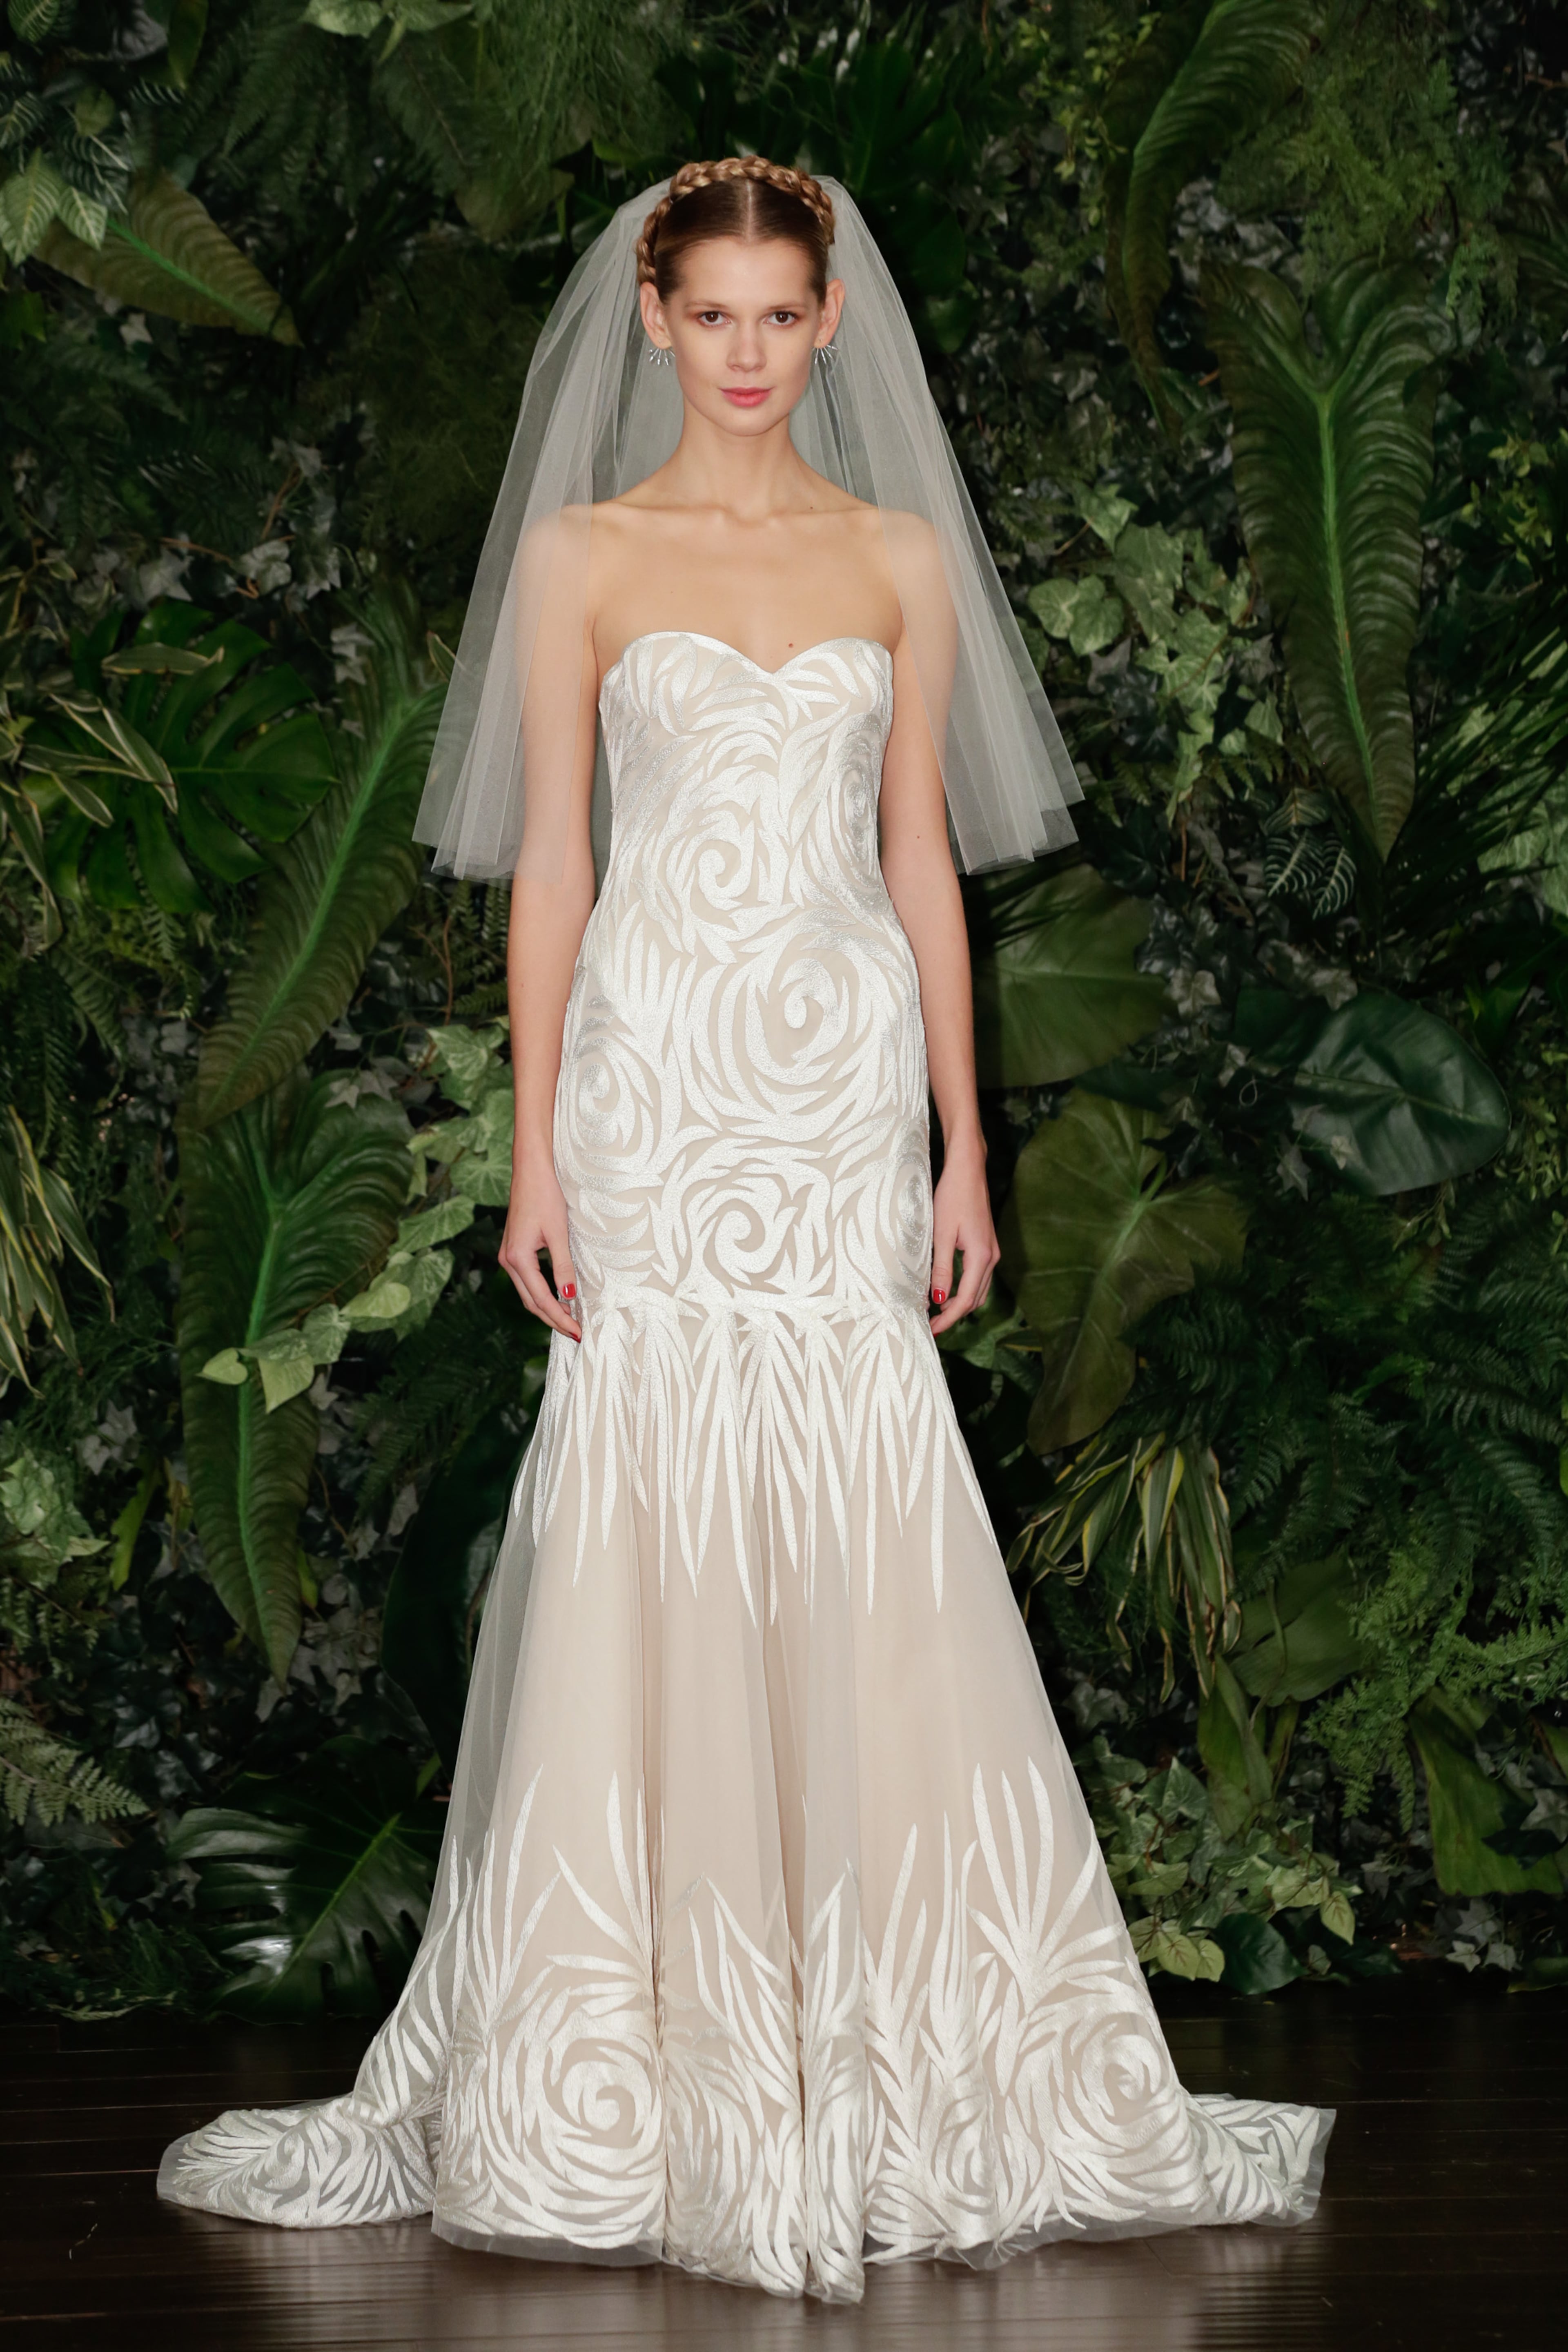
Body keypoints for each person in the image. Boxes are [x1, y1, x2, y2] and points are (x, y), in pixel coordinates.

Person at [159, 158, 1330, 2304]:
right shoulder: (583, 558)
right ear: (653, 318)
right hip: (657, 1091)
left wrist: (963, 1150)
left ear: (829, 323)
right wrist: (535, 1155)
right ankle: (637, 2073)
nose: (752, 354)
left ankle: (895, 2058)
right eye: (715, 316)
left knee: (866, 1491)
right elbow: (553, 869)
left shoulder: (897, 557)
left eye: (785, 317)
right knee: (646, 1496)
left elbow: (921, 865)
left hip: (839, 1096)